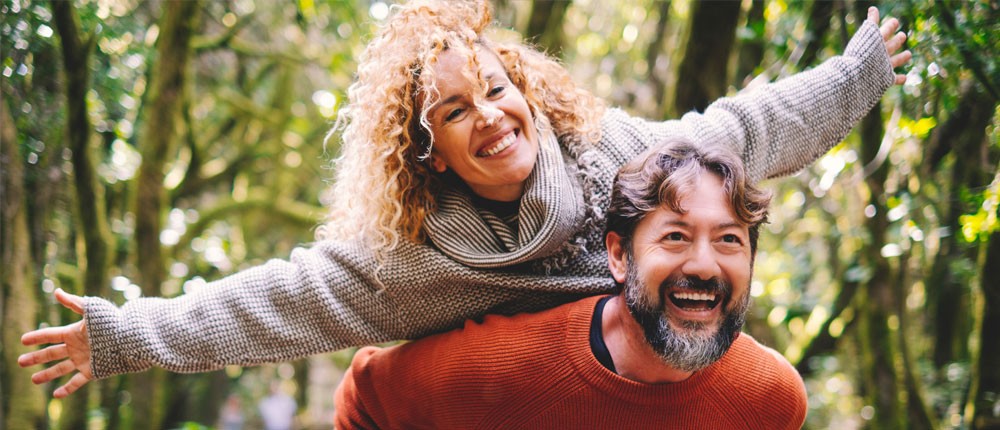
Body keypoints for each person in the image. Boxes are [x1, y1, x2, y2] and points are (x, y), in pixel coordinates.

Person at [19, 0, 911, 399]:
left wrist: (858, 73)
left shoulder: (608, 157)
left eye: (494, 87)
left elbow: (743, 131)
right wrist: (124, 335)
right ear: (429, 152)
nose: (488, 115)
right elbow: (269, 303)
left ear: (526, 89)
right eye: (453, 109)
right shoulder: (406, 261)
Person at [334, 138, 798, 429]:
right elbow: (367, 400)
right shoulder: (503, 369)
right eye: (675, 237)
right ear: (620, 255)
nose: (703, 265)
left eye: (729, 240)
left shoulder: (771, 398)